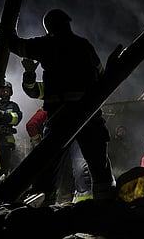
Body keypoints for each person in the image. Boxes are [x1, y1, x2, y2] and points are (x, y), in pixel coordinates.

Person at [8, 8, 116, 201]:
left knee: (47, 167)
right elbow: (100, 76)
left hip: (60, 116)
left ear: (48, 28)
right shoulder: (84, 45)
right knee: (99, 166)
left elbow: (15, 45)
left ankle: (40, 210)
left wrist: (11, 23)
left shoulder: (47, 45)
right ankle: (107, 207)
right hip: (88, 113)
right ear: (68, 23)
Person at [21, 59, 93, 204]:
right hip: (57, 130)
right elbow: (33, 90)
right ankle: (45, 204)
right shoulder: (53, 85)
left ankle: (84, 205)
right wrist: (29, 73)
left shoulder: (83, 85)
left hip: (77, 131)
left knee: (80, 170)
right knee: (49, 169)